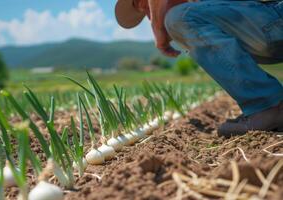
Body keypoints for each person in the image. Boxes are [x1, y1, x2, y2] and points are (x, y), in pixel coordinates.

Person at [115, 0, 283, 137]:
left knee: (179, 18)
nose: (148, 11)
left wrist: (158, 31)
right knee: (182, 21)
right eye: (143, 10)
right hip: (270, 23)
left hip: (275, 13)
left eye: (142, 2)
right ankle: (269, 104)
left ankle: (267, 105)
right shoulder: (209, 8)